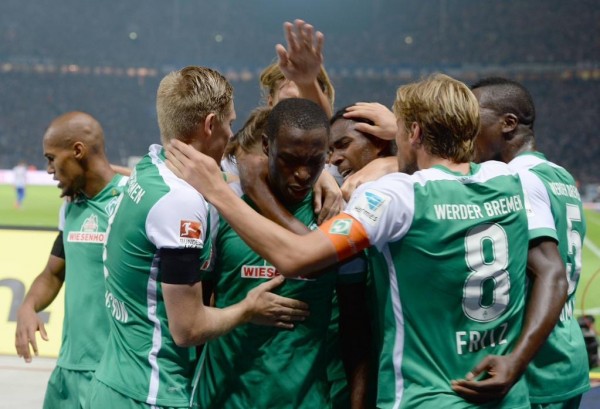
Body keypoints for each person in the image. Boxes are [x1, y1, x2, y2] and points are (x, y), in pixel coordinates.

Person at [166, 73, 567, 408]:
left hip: (429, 396)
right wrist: (517, 361)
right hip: (508, 392)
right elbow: (553, 274)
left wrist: (219, 191)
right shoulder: (511, 181)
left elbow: (297, 256)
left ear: (412, 132)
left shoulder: (395, 196)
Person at [87, 66, 309, 408]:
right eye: (230, 122)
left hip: (115, 382)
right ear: (209, 125)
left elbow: (228, 178)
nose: (231, 132)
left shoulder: (151, 168)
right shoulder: (181, 202)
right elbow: (187, 329)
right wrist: (248, 308)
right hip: (150, 393)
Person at [195, 97, 364, 408]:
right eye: (289, 159)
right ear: (265, 146)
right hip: (220, 399)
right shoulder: (220, 210)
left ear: (327, 155)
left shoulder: (338, 219)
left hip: (305, 401)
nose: (302, 174)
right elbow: (197, 309)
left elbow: (355, 331)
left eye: (314, 162)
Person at [471, 77, 590, 408]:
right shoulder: (559, 174)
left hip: (535, 365)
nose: (463, 127)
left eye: (472, 115)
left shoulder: (516, 179)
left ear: (508, 124)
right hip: (565, 351)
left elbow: (550, 273)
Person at [14, 111, 128, 408]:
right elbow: (53, 273)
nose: (49, 169)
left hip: (117, 375)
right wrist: (28, 305)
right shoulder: (70, 208)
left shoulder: (132, 204)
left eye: (52, 158)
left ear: (77, 151)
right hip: (68, 371)